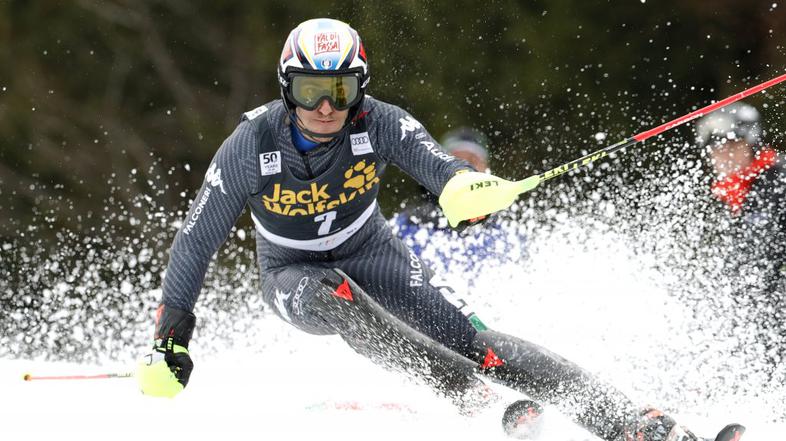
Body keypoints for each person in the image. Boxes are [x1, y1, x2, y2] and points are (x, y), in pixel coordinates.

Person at [136, 18, 730, 441]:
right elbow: (196, 240)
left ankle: (628, 422)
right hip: (290, 271)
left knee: (481, 342)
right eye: (311, 91)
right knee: (331, 296)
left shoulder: (381, 123)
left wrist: (470, 191)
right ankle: (460, 392)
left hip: (371, 250)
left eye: (339, 91)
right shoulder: (251, 143)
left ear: (359, 89)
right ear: (287, 88)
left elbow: (441, 171)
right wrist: (172, 336)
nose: (325, 107)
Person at [696, 102, 786, 372]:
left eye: (734, 145)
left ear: (752, 144)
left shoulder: (778, 180)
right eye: (717, 148)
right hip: (758, 314)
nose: (725, 155)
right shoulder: (735, 193)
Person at [392, 127, 518, 274]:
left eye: (472, 161)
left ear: (487, 170)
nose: (464, 170)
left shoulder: (506, 232)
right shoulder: (409, 223)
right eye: (456, 160)